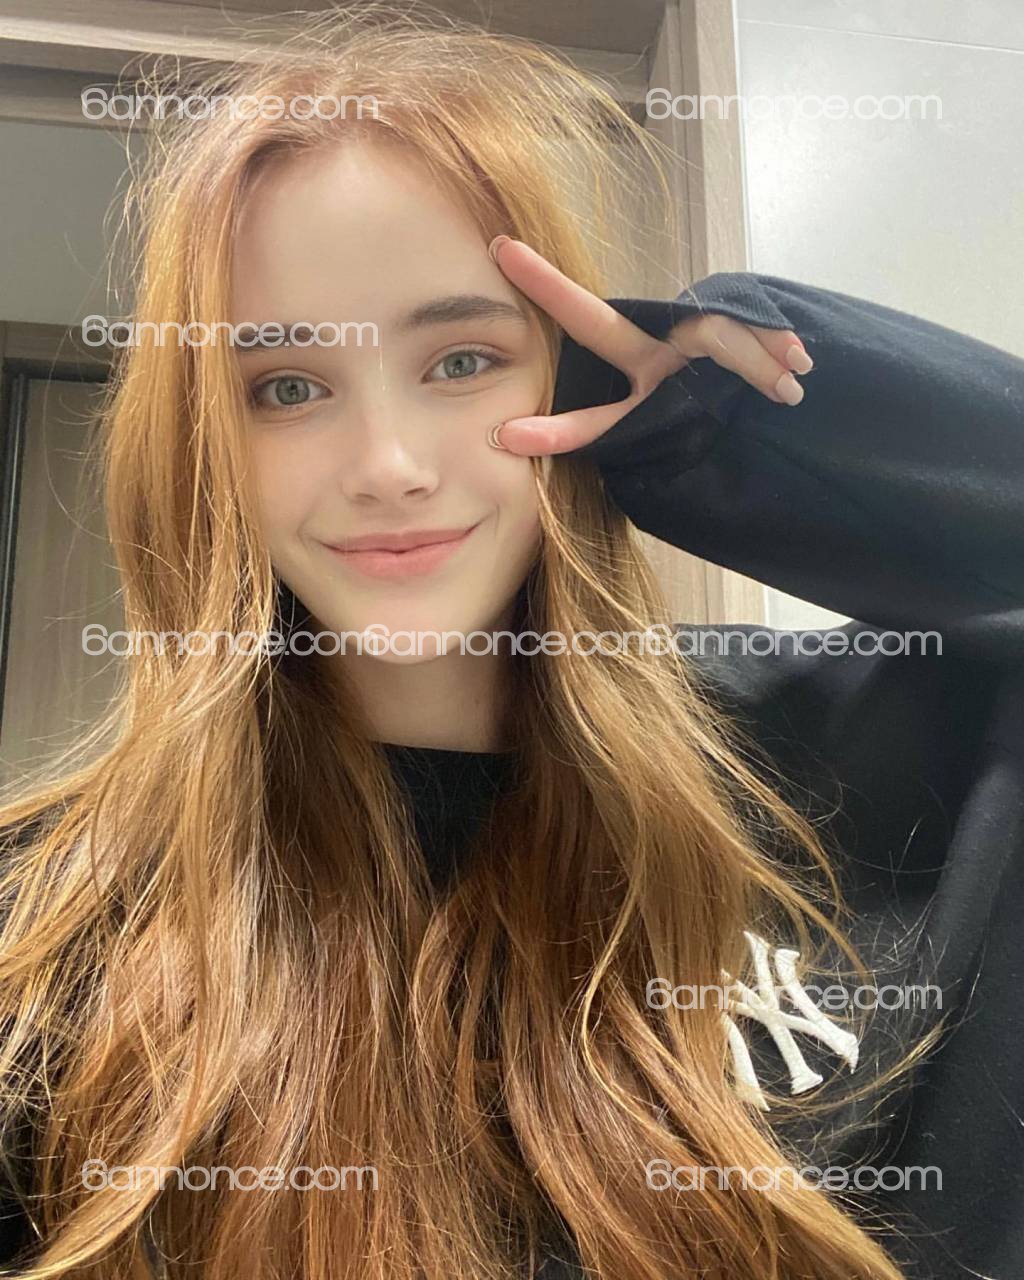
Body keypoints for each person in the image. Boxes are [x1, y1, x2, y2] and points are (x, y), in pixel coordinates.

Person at [0, 6, 1022, 1278]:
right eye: (287, 387)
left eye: (462, 360)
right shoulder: (49, 927)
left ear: (575, 381)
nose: (387, 464)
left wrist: (748, 431)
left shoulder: (865, 763)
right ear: (205, 439)